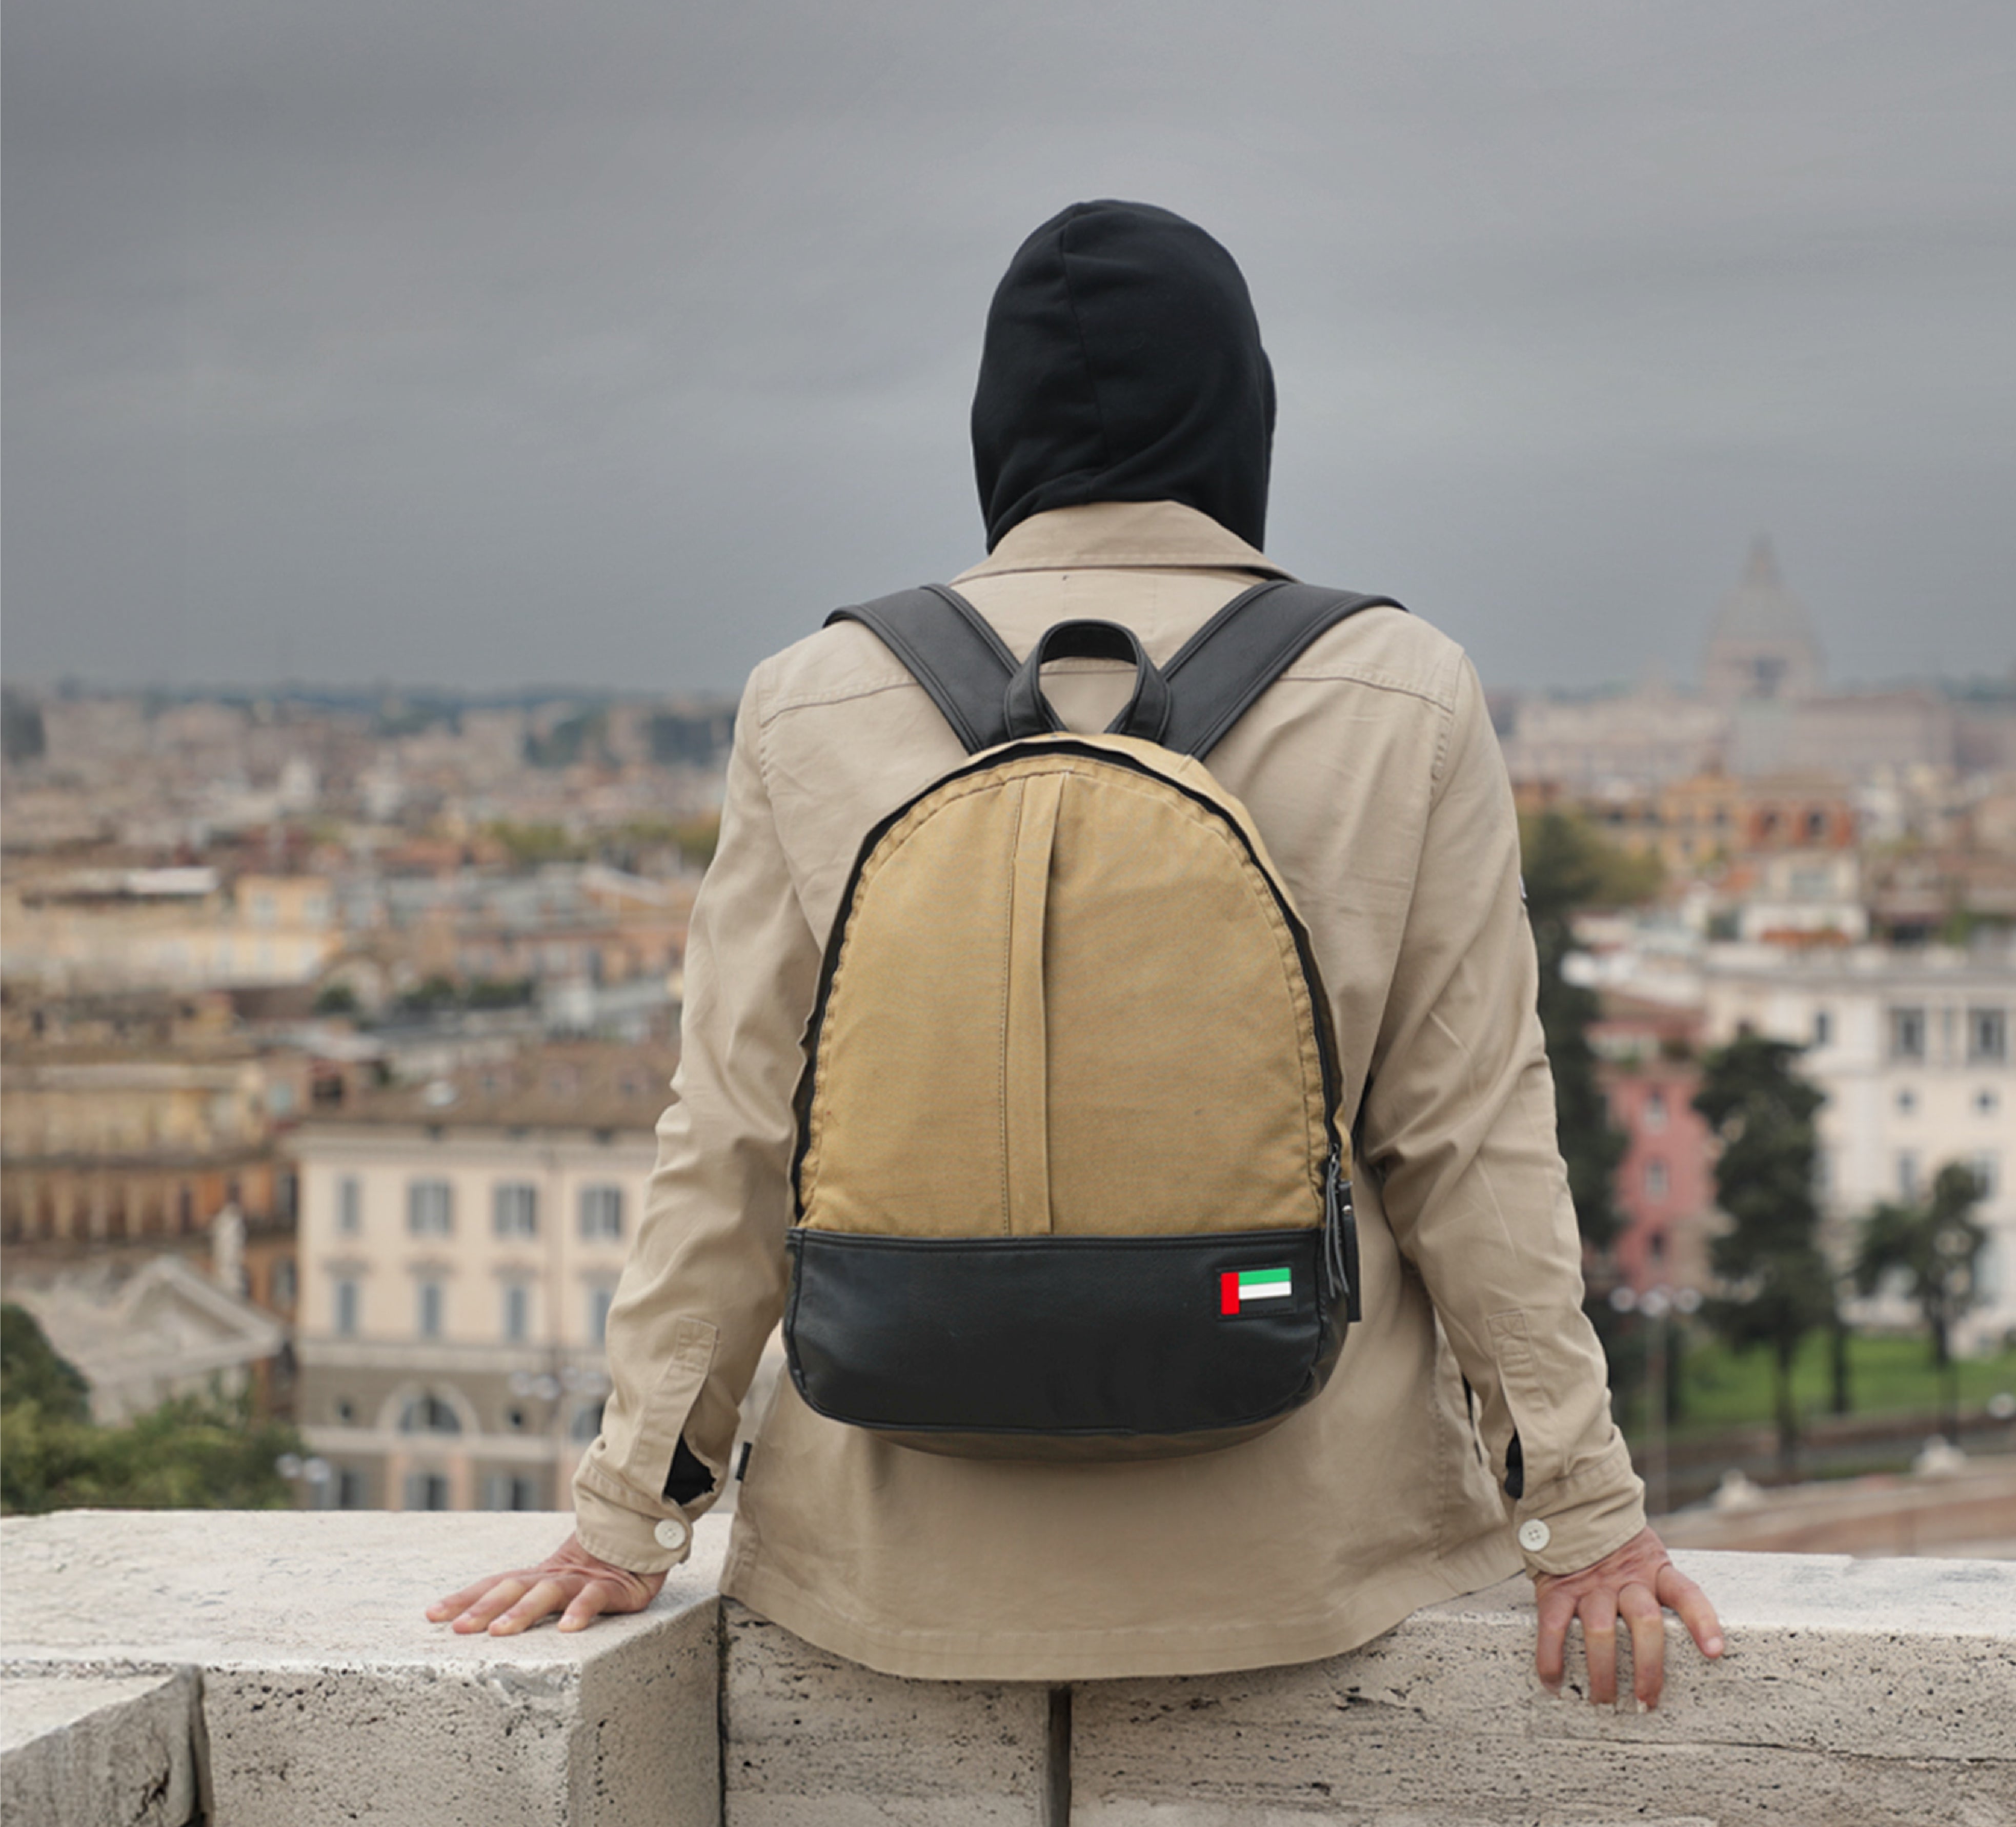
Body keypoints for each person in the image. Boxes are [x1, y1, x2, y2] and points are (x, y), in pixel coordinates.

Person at [429, 200, 1724, 1707]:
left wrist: (628, 1511)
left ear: (998, 428)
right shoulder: (1403, 688)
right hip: (1300, 1542)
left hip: (897, 1566)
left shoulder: (812, 696)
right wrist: (1584, 1518)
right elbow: (1470, 1141)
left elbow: (734, 1135)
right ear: (1246, 414)